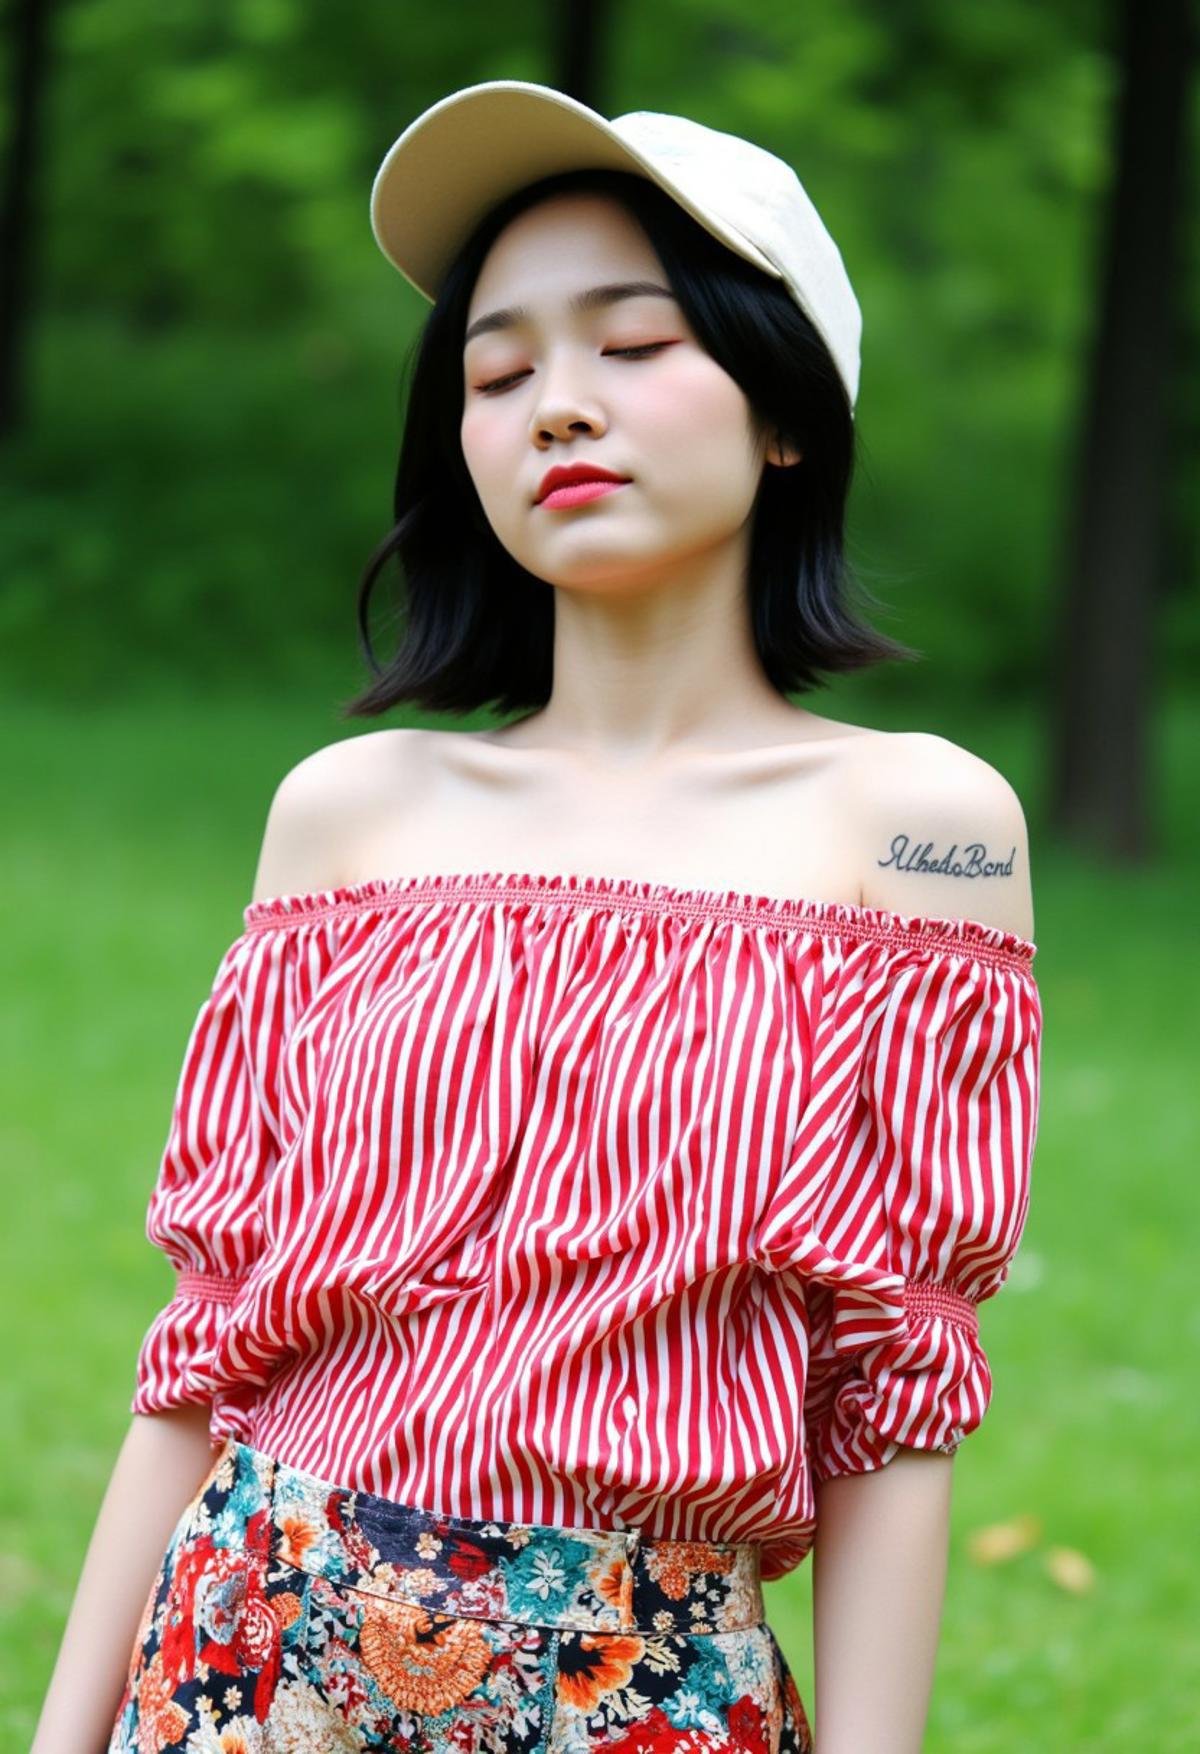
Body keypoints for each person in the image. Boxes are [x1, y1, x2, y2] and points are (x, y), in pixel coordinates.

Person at [34, 80, 1043, 1754]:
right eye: (500, 375)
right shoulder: (348, 817)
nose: (559, 407)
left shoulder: (919, 833)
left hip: (637, 1687)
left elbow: (894, 1399)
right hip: (244, 1654)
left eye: (632, 346)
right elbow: (209, 1353)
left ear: (786, 410)